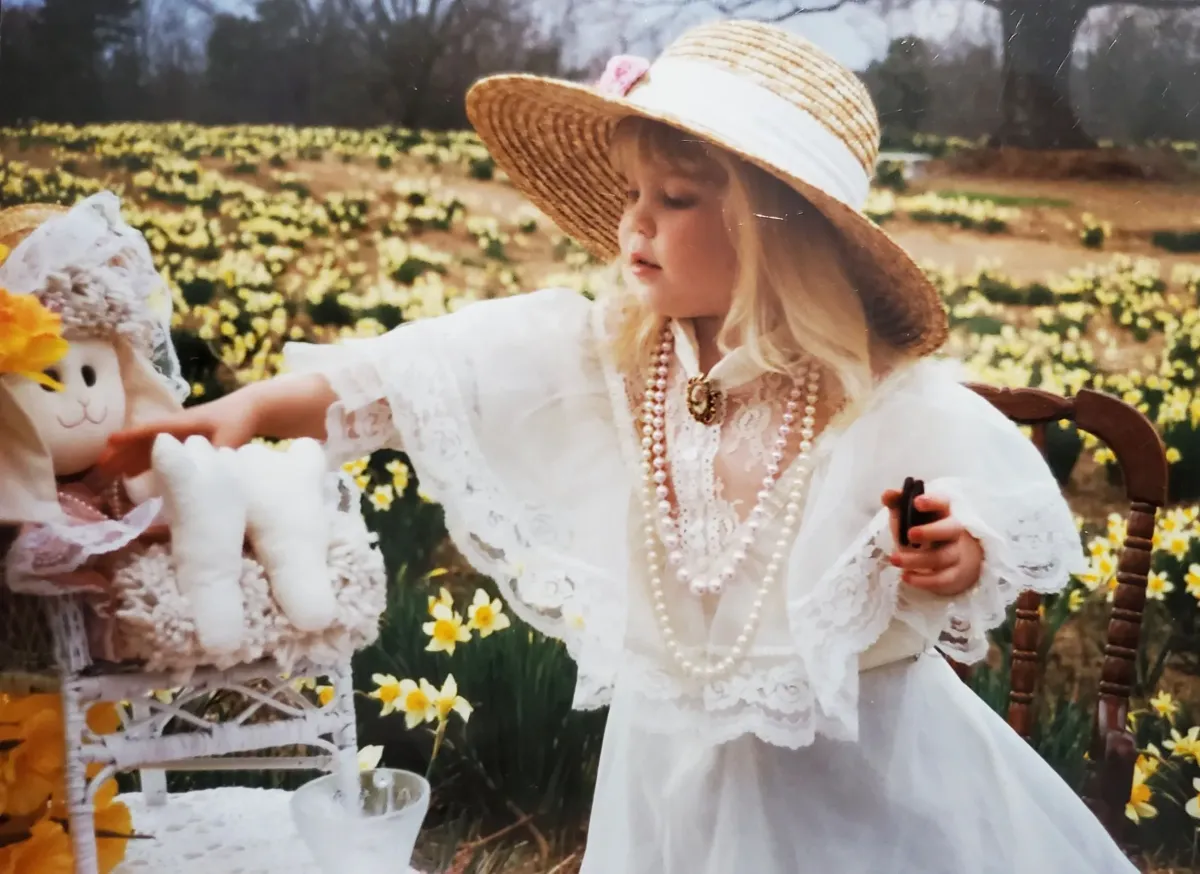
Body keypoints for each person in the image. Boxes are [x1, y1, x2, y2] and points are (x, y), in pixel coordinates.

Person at [101, 20, 1138, 874]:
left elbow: (967, 495)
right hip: (667, 774)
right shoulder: (607, 355)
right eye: (631, 194)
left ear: (774, 229)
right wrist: (247, 409)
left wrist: (952, 547)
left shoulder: (868, 394)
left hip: (861, 787)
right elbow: (420, 372)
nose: (634, 225)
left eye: (675, 201)